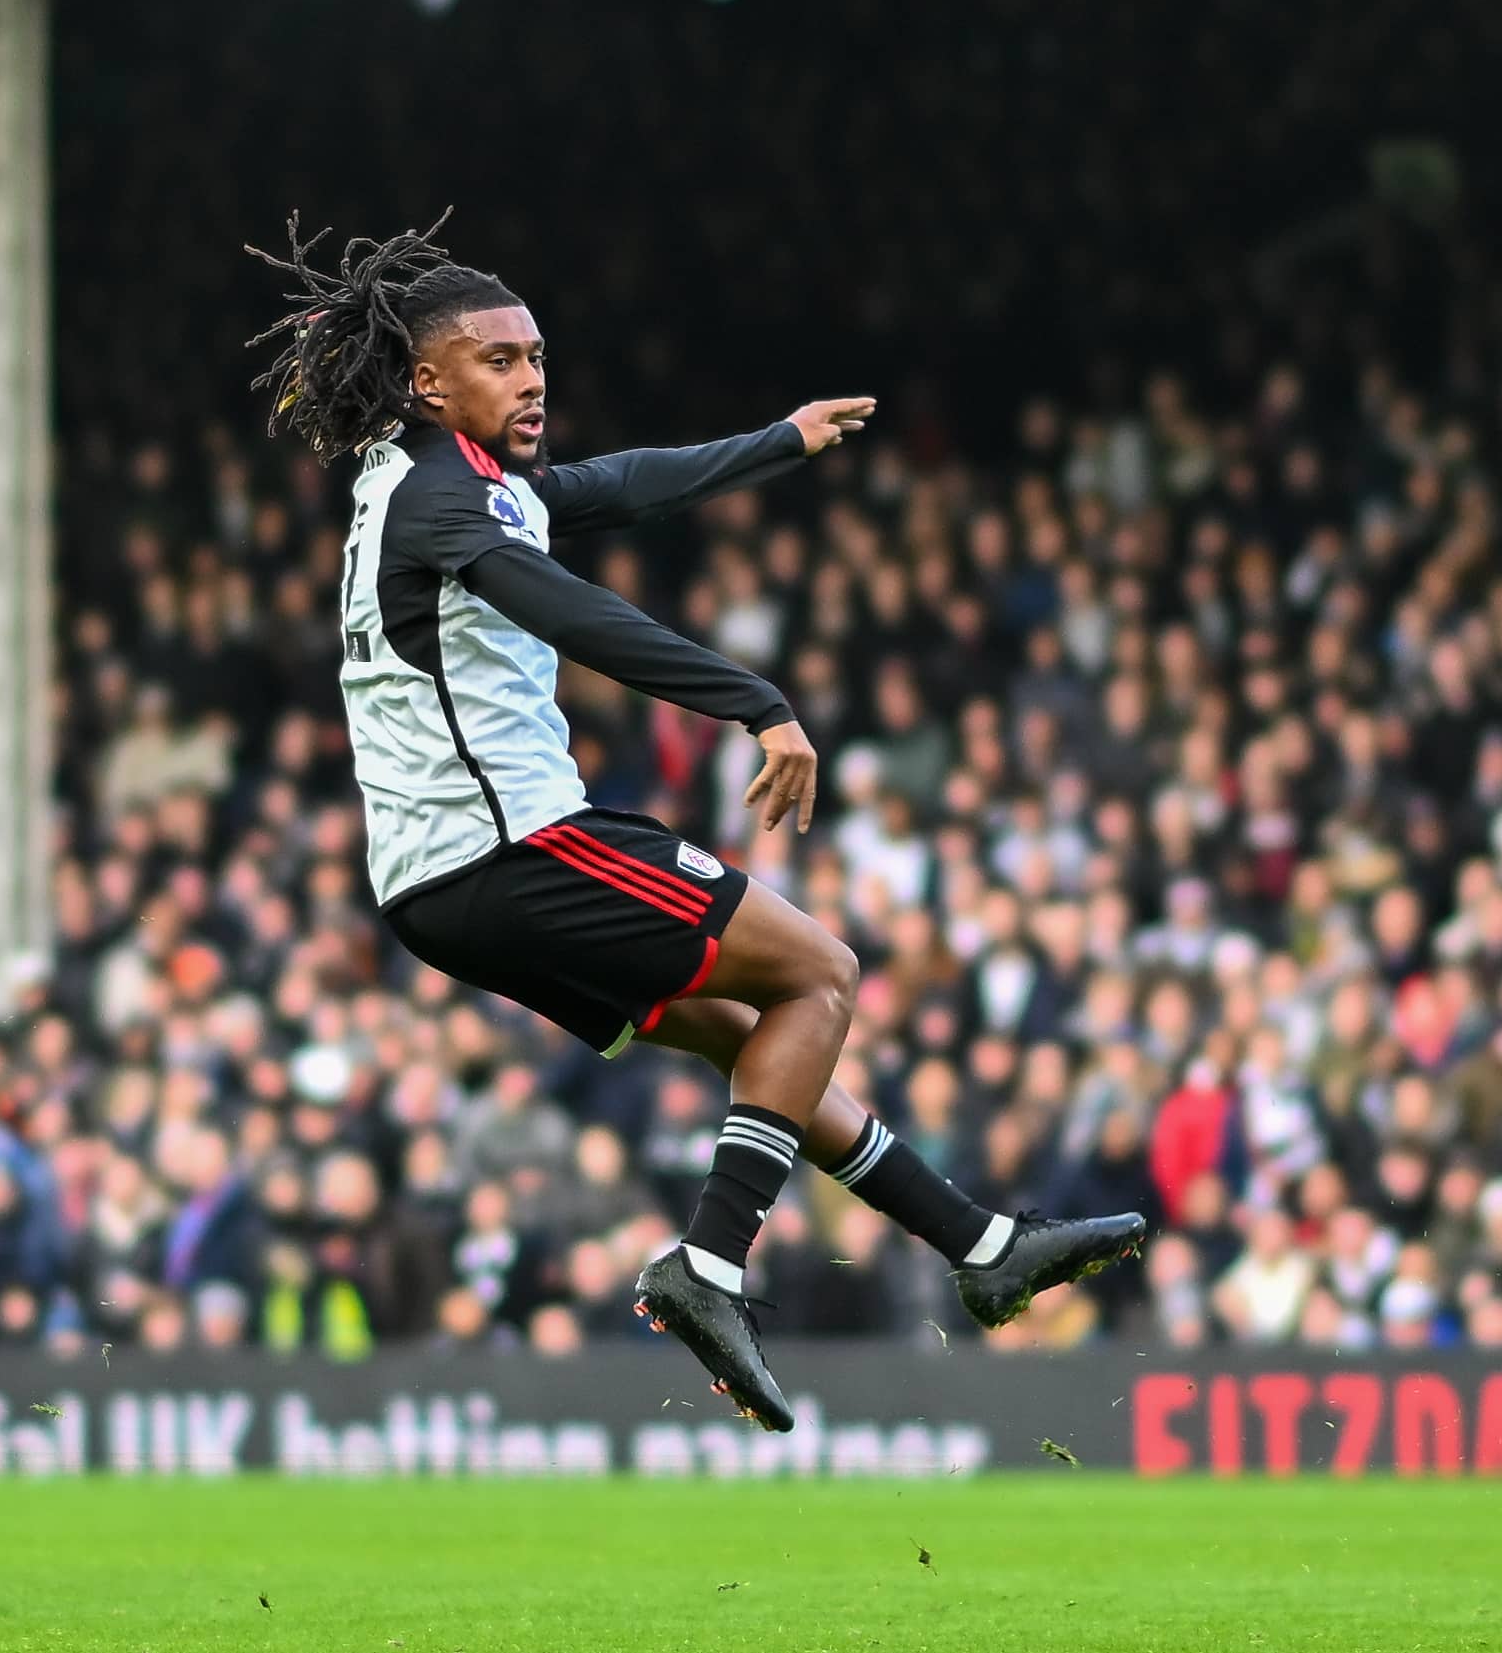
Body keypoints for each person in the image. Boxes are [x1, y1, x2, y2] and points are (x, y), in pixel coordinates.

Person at [246, 217, 1143, 1427]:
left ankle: (979, 1242)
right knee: (822, 972)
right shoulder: (445, 508)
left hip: (441, 888)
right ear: (426, 378)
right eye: (500, 360)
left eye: (537, 359)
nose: (531, 381)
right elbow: (573, 612)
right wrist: (758, 705)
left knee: (760, 1043)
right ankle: (708, 1269)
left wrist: (778, 441)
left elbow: (611, 488)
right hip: (514, 850)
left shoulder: (427, 486)